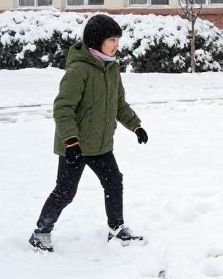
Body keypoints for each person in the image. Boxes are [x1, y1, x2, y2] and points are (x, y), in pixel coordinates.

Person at [28, 14, 149, 252]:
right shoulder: (79, 70)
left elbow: (119, 105)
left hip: (101, 144)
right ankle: (40, 233)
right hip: (75, 145)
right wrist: (71, 141)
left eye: (117, 40)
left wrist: (136, 126)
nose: (116, 45)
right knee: (65, 192)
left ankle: (116, 228)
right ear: (96, 41)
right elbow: (63, 108)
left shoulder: (111, 68)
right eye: (111, 40)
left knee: (114, 182)